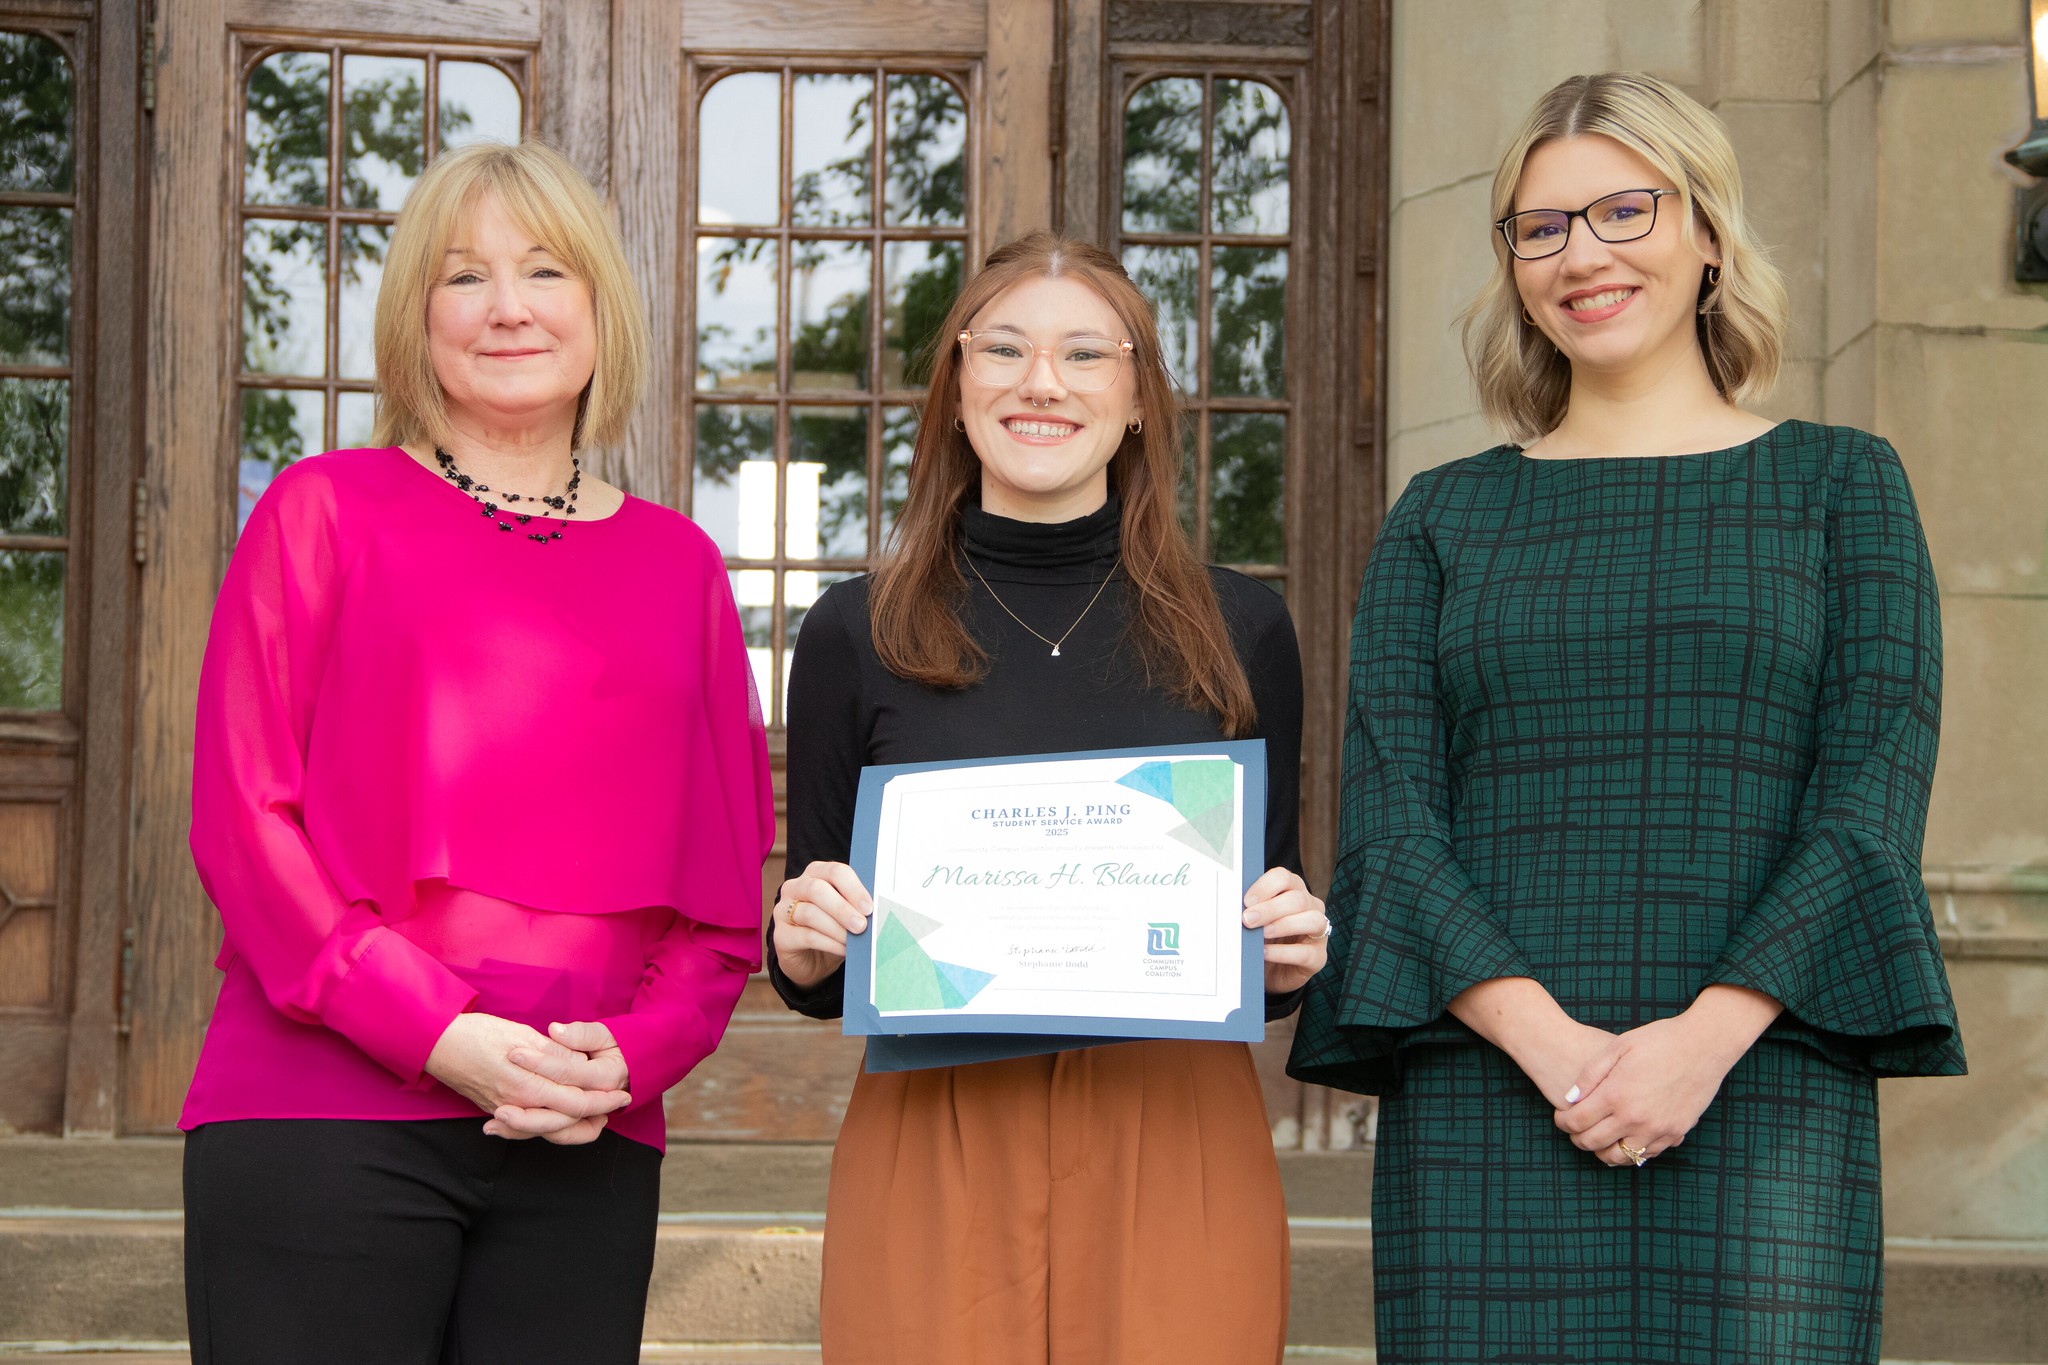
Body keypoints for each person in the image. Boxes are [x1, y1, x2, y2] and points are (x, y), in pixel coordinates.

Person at [1288, 71, 1964, 1364]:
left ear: (1708, 232)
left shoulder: (1841, 487)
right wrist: (1555, 1049)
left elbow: (1871, 792)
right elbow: (1391, 823)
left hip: (1766, 1081)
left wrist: (1706, 1040)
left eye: (1623, 212)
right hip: (1488, 1083)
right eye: (1540, 228)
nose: (1580, 256)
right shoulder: (1442, 514)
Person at [180, 140, 774, 1365]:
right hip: (323, 1113)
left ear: (602, 309)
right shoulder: (323, 511)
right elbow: (245, 819)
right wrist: (437, 1034)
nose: (508, 306)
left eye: (545, 270)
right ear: (418, 320)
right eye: (465, 277)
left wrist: (632, 1059)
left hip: (583, 1127)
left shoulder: (682, 568)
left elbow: (723, 902)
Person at [767, 231, 1329, 1365]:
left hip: (1171, 1124)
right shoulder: (854, 632)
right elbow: (814, 964)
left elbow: (1262, 945)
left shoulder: (1242, 628)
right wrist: (806, 936)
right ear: (957, 387)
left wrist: (1286, 945)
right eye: (1005, 350)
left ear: (1134, 399)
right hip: (938, 1125)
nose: (1041, 383)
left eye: (1084, 353)